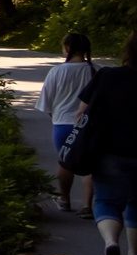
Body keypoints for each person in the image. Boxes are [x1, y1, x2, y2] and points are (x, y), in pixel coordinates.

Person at [74, 29, 137, 255]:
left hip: (110, 153)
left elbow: (82, 113)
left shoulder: (108, 77)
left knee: (107, 201)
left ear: (128, 51)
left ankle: (111, 243)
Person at [38, 31, 99, 211]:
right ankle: (87, 205)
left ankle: (65, 200)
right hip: (90, 125)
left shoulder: (56, 72)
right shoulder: (96, 71)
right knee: (88, 164)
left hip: (62, 124)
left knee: (65, 162)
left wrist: (56, 117)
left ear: (67, 48)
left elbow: (46, 103)